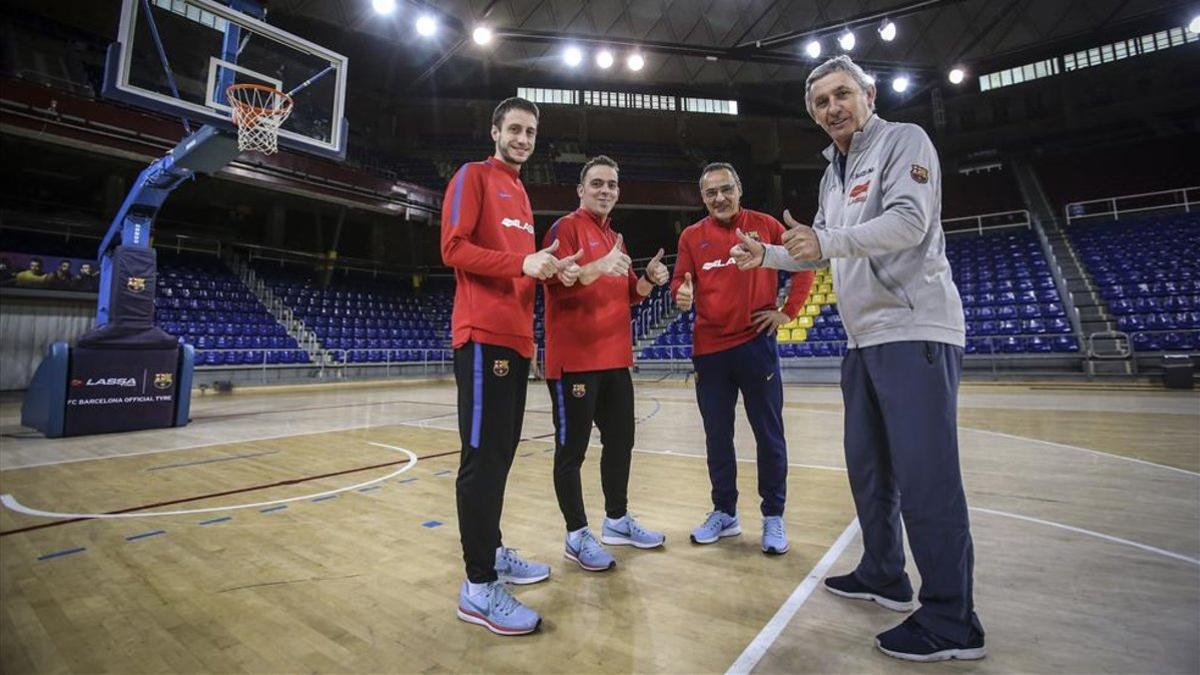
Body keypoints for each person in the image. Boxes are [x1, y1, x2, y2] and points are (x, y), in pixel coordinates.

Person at [730, 55, 985, 662]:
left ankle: (953, 622)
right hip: (862, 338)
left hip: (912, 328)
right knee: (870, 470)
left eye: (841, 94)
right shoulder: (832, 174)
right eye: (820, 102)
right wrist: (766, 255)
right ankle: (884, 574)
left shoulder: (903, 141)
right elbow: (817, 248)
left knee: (927, 480)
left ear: (869, 93)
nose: (832, 109)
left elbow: (908, 222)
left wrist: (827, 241)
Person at [440, 96, 581, 636]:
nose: (523, 138)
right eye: (514, 129)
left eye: (530, 132)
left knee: (499, 457)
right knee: (480, 460)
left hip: (518, 341)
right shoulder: (474, 176)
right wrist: (523, 261)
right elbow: (453, 248)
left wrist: (550, 270)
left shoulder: (521, 193)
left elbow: (519, 267)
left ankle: (493, 553)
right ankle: (477, 588)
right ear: (495, 130)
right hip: (482, 337)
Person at [669, 162, 815, 555]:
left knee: (768, 434)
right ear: (702, 198)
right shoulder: (691, 236)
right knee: (718, 437)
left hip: (756, 346)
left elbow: (806, 263)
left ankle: (773, 516)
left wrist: (789, 311)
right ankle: (725, 512)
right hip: (709, 352)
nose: (719, 198)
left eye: (726, 189)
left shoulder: (765, 225)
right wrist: (680, 293)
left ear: (739, 189)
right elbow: (680, 281)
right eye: (711, 193)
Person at [541, 155, 669, 572]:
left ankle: (616, 520)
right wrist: (592, 268)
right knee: (571, 451)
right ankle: (576, 535)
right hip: (574, 362)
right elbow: (551, 283)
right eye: (597, 183)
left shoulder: (616, 237)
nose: (605, 191)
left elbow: (629, 294)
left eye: (612, 184)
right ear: (580, 190)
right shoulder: (565, 229)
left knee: (621, 443)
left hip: (616, 360)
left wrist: (647, 279)